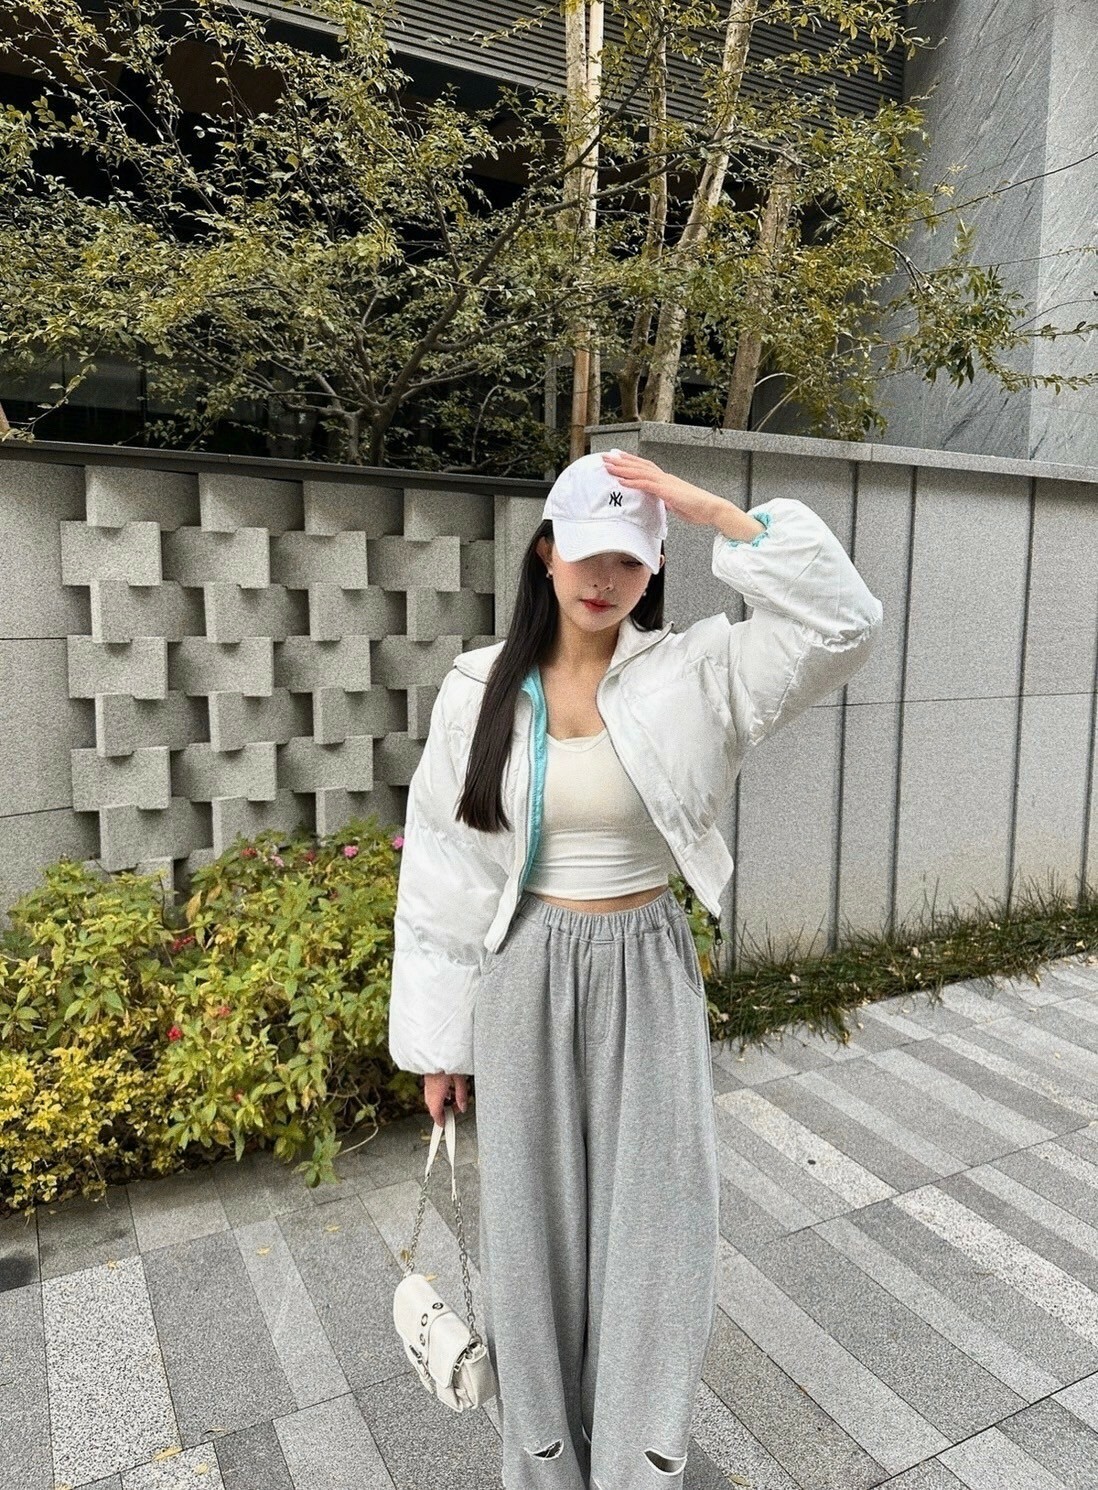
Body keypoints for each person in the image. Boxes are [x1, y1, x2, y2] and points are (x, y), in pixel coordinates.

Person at [388, 447, 884, 1490]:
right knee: (531, 1236)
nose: (604, 578)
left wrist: (719, 515)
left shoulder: (696, 673)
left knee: (658, 1228)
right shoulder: (478, 688)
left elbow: (842, 625)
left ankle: (636, 1467)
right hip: (523, 974)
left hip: (647, 970)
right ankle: (544, 1464)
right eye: (587, 552)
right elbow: (443, 865)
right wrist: (439, 1045)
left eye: (629, 557)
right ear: (545, 551)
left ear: (655, 567)